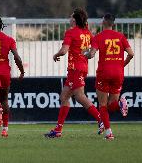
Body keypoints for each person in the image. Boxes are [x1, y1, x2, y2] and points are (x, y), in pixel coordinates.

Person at [44, 8, 104, 138]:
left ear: (75, 20)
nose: (69, 19)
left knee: (79, 96)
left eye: (71, 17)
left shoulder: (71, 32)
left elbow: (64, 50)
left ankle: (100, 118)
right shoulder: (88, 33)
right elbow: (93, 47)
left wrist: (56, 54)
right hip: (80, 68)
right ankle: (58, 130)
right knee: (64, 97)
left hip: (75, 68)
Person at [85, 13, 134, 140]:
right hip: (118, 73)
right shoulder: (121, 37)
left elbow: (92, 54)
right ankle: (120, 105)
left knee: (102, 105)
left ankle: (109, 134)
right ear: (113, 24)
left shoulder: (99, 37)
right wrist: (122, 65)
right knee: (112, 104)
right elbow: (131, 53)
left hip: (104, 73)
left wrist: (85, 54)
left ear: (103, 22)